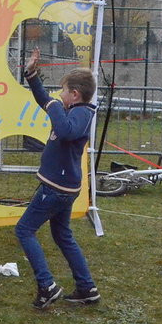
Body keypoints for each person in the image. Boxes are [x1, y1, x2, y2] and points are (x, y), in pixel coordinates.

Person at [15, 49, 101, 309]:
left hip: (56, 188)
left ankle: (47, 285)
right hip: (64, 188)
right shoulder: (74, 110)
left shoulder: (81, 113)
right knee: (62, 235)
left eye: (63, 91)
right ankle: (86, 287)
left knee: (24, 230)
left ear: (74, 94)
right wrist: (31, 75)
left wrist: (53, 105)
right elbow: (46, 101)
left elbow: (64, 131)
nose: (58, 96)